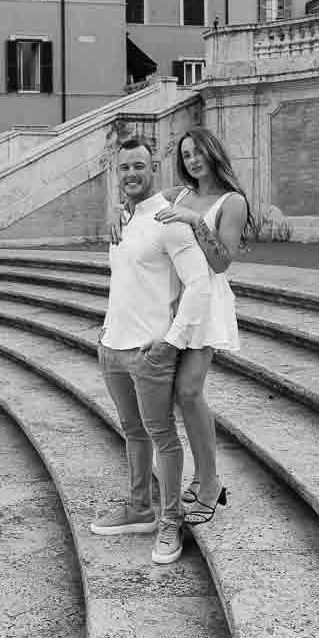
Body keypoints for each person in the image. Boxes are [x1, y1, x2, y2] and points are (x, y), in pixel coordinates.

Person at [107, 127, 256, 526]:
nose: (192, 161)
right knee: (179, 395)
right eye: (186, 155)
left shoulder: (232, 202)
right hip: (178, 306)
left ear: (213, 153)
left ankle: (210, 483)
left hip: (208, 303)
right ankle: (203, 477)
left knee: (189, 392)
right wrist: (116, 213)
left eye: (199, 153)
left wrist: (195, 221)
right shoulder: (179, 193)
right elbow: (139, 201)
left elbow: (222, 262)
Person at [90, 136, 213, 565]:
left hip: (149, 352)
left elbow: (199, 284)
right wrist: (106, 333)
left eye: (139, 166)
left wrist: (171, 341)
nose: (131, 174)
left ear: (153, 168)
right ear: (116, 172)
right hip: (113, 346)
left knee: (163, 436)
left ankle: (169, 519)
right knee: (133, 432)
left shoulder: (170, 220)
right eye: (124, 168)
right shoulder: (122, 221)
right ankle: (140, 506)